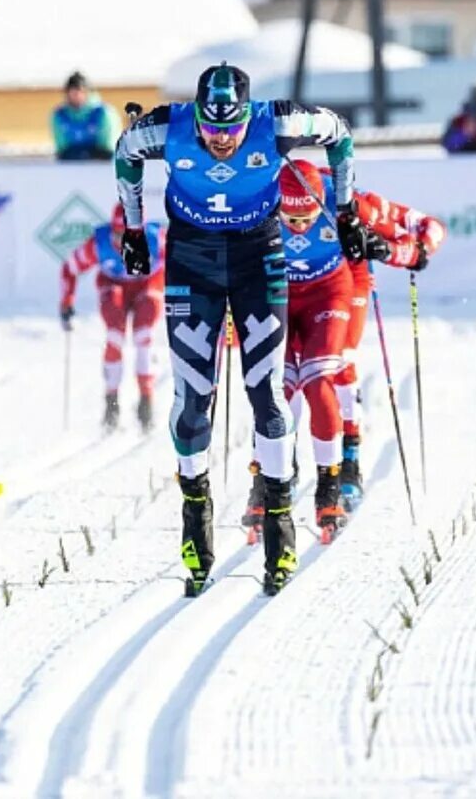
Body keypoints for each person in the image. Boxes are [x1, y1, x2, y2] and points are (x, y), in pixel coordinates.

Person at [114, 61, 364, 596]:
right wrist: (134, 230)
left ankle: (279, 521)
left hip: (258, 258)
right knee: (191, 401)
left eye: (230, 131)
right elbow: (127, 152)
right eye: (211, 130)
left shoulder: (280, 123)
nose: (220, 141)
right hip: (192, 259)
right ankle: (196, 515)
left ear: (247, 115)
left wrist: (344, 213)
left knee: (267, 395)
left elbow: (340, 137)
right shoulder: (169, 124)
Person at [241, 160, 445, 543]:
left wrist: (387, 249)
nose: (299, 226)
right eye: (291, 218)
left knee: (333, 368)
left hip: (341, 283)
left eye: (307, 217)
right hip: (281, 292)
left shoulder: (349, 203)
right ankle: (270, 477)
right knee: (277, 385)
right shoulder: (260, 202)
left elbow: (427, 231)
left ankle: (346, 466)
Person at [59, 204, 165, 430]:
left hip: (147, 285)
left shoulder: (159, 241)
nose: (123, 244)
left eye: (131, 237)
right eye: (118, 235)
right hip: (114, 286)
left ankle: (146, 400)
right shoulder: (99, 244)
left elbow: (188, 266)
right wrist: (67, 302)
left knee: (143, 337)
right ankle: (111, 401)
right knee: (115, 336)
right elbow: (70, 268)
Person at [52, 71, 122, 161]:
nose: (76, 96)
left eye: (80, 92)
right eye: (72, 93)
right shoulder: (60, 115)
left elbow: (108, 147)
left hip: (99, 162)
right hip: (71, 162)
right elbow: (61, 148)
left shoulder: (103, 113)